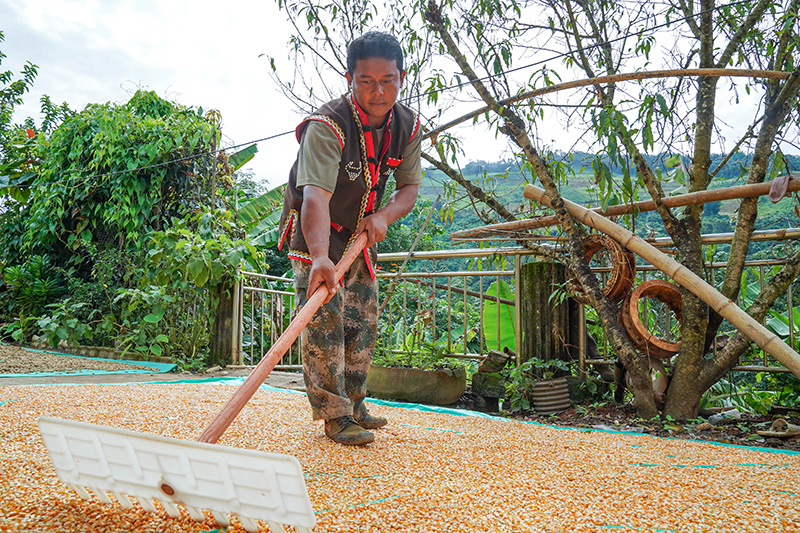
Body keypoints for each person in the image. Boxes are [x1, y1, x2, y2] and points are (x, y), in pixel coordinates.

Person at [278, 31, 422, 445]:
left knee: (362, 318)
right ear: (349, 78)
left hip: (362, 231)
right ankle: (334, 414)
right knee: (324, 321)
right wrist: (321, 256)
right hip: (317, 233)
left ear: (401, 77)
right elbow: (315, 199)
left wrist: (386, 216)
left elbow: (408, 190)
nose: (378, 91)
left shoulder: (407, 127)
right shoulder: (327, 128)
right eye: (366, 81)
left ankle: (355, 403)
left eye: (388, 80)